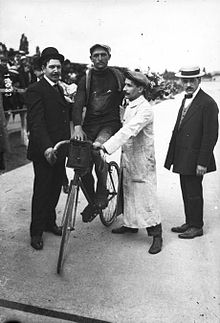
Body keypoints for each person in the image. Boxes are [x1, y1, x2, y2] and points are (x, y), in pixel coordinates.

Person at [93, 71, 163, 254]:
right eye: (124, 85)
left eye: (129, 86)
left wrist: (106, 147)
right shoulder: (131, 104)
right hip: (129, 156)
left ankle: (156, 234)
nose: (124, 89)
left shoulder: (145, 109)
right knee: (128, 190)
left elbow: (129, 130)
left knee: (145, 195)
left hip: (141, 159)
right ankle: (131, 225)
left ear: (140, 88)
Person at [164, 66, 219, 239]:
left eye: (192, 81)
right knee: (186, 189)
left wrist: (202, 162)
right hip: (183, 155)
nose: (188, 84)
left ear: (199, 81)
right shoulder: (186, 99)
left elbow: (211, 136)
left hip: (195, 157)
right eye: (185, 81)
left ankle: (197, 226)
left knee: (194, 191)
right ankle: (189, 222)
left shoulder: (208, 103)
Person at [72, 44, 124, 222]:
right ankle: (93, 201)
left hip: (109, 125)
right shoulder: (85, 79)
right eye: (96, 55)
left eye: (103, 55)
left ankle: (102, 193)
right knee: (81, 165)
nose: (100, 58)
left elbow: (133, 91)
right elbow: (78, 104)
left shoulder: (118, 76)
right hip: (89, 126)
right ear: (91, 59)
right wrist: (77, 126)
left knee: (96, 150)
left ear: (109, 56)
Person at [26, 47, 71, 250]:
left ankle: (49, 222)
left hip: (60, 148)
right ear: (43, 68)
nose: (55, 70)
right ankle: (36, 232)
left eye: (58, 67)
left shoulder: (59, 88)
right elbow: (36, 123)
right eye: (51, 67)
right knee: (43, 190)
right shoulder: (35, 90)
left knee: (54, 189)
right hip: (44, 150)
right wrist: (46, 148)